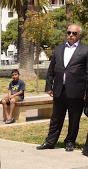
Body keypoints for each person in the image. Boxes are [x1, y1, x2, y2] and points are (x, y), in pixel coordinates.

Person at [37, 24, 88, 152]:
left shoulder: (85, 50)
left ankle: (70, 141)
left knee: (74, 118)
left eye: (74, 33)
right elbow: (51, 69)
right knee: (56, 117)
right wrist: (49, 85)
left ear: (79, 35)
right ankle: (50, 141)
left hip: (77, 91)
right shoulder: (59, 49)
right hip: (59, 89)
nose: (71, 35)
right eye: (69, 32)